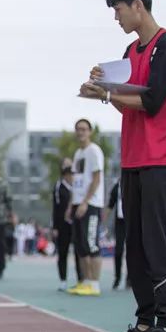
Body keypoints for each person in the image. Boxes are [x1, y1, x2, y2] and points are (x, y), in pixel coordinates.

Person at [82, 0, 166, 332]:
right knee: (136, 245)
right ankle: (145, 322)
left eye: (118, 9)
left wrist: (107, 92)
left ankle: (165, 327)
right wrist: (102, 91)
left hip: (164, 158)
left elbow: (153, 101)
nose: (116, 17)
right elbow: (126, 98)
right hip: (134, 159)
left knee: (157, 241)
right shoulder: (131, 53)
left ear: (138, 6)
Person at [66, 119, 104, 296]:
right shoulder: (78, 153)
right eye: (78, 129)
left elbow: (96, 178)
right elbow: (76, 182)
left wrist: (85, 202)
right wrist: (71, 205)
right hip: (77, 204)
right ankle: (85, 281)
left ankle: (94, 284)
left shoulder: (94, 151)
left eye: (84, 129)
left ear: (90, 131)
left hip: (91, 204)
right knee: (80, 245)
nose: (80, 132)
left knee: (91, 244)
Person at [52, 162, 82, 289]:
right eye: (70, 175)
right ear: (65, 175)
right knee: (63, 253)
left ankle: (81, 279)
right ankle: (63, 280)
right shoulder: (59, 187)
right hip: (62, 225)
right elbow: (56, 209)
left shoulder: (77, 187)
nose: (72, 177)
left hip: (75, 224)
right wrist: (55, 227)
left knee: (78, 252)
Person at [104, 180, 125, 290]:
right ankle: (117, 278)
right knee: (118, 251)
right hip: (120, 223)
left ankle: (130, 279)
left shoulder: (134, 182)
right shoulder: (117, 186)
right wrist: (103, 219)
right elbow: (110, 204)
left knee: (134, 251)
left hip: (133, 221)